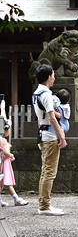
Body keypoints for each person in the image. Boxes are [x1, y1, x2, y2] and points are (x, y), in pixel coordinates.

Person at [32, 64, 67, 216]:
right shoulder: (46, 94)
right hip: (50, 136)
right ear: (48, 77)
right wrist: (61, 136)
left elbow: (41, 119)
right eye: (53, 75)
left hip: (43, 134)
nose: (54, 77)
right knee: (49, 173)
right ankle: (44, 205)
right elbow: (52, 118)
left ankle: (44, 204)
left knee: (46, 171)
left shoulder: (36, 93)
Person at [0, 123, 28, 207]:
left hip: (3, 162)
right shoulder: (3, 140)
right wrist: (11, 155)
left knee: (1, 183)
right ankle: (16, 199)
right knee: (9, 182)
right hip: (5, 163)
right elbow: (5, 152)